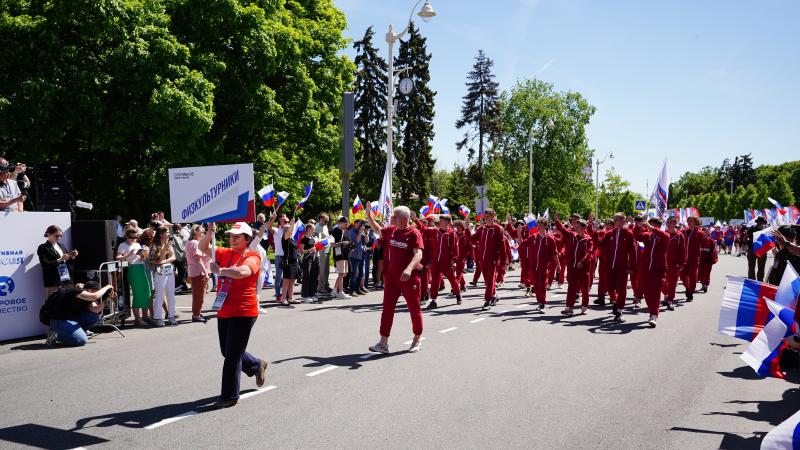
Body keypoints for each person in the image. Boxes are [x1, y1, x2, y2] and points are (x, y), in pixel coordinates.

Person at [199, 222, 268, 410]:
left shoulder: (252, 255)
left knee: (232, 356)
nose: (232, 238)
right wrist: (209, 232)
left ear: (247, 239)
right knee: (227, 351)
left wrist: (220, 271)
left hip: (244, 311)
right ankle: (256, 365)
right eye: (231, 235)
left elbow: (244, 272)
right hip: (225, 309)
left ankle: (230, 396)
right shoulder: (225, 253)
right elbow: (202, 247)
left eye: (237, 236)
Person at [365, 204, 425, 353]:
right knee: (387, 309)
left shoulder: (414, 233)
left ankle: (417, 339)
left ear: (404, 219)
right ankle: (383, 343)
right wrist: (369, 216)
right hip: (391, 278)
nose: (392, 218)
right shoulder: (392, 230)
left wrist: (409, 268)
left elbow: (418, 254)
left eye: (395, 216)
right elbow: (378, 230)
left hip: (408, 278)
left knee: (414, 308)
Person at [45, 281, 116, 346]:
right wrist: (108, 286)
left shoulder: (86, 298)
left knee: (93, 316)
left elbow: (95, 309)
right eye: (96, 291)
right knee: (82, 341)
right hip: (59, 321)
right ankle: (57, 334)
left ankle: (75, 333)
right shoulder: (75, 292)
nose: (98, 295)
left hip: (70, 320)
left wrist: (106, 300)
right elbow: (95, 296)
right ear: (89, 290)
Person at [598, 213, 637, 323]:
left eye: (620, 220)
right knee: (610, 286)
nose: (617, 222)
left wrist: (631, 266)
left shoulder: (628, 234)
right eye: (615, 220)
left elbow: (633, 252)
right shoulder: (610, 233)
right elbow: (600, 243)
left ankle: (619, 311)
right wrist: (596, 231)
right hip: (610, 265)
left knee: (621, 288)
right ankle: (615, 301)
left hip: (622, 267)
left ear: (624, 222)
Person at [554, 214, 594, 316]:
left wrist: (582, 262)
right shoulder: (572, 236)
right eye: (575, 227)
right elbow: (563, 230)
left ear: (584, 228)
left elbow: (589, 253)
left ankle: (584, 305)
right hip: (572, 267)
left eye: (578, 227)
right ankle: (569, 307)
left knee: (584, 288)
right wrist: (557, 220)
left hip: (583, 268)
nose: (575, 229)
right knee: (571, 287)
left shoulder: (588, 240)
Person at [634, 217, 670, 328]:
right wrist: (638, 225)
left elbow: (664, 236)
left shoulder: (665, 236)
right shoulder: (648, 236)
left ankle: (654, 315)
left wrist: (652, 228)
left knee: (655, 293)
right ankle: (652, 312)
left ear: (659, 226)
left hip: (659, 270)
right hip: (646, 269)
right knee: (647, 293)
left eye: (654, 225)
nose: (651, 227)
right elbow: (637, 236)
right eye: (650, 225)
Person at [521, 219, 559, 312]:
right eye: (538, 225)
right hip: (533, 266)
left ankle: (542, 303)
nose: (539, 226)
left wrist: (558, 265)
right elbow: (522, 243)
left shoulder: (550, 239)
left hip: (544, 266)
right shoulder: (533, 237)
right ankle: (540, 302)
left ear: (545, 226)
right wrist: (518, 233)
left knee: (542, 284)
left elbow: (554, 253)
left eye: (541, 225)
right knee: (536, 285)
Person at [472, 209, 506, 310]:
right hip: (482, 258)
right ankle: (494, 295)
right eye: (486, 217)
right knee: (487, 280)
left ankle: (487, 301)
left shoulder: (498, 229)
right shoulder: (481, 229)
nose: (488, 219)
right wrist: (466, 229)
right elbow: (473, 239)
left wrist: (503, 261)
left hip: (493, 259)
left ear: (494, 217)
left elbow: (502, 245)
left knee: (491, 279)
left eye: (490, 216)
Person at [425, 214, 461, 309]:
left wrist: (454, 260)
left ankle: (458, 294)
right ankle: (433, 300)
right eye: (439, 220)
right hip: (436, 261)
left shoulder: (451, 234)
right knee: (435, 282)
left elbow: (455, 247)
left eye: (442, 221)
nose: (439, 222)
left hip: (447, 262)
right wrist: (415, 219)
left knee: (452, 280)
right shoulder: (435, 231)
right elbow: (423, 229)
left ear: (447, 222)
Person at [116, 227, 150, 326]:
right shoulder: (122, 245)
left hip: (141, 267)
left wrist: (143, 255)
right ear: (126, 236)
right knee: (138, 294)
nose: (134, 239)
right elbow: (118, 258)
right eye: (132, 237)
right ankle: (138, 318)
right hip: (132, 269)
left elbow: (142, 259)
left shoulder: (137, 244)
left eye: (136, 237)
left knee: (146, 292)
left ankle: (145, 316)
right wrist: (129, 254)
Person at [37, 225, 78, 296]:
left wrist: (72, 257)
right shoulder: (43, 247)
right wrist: (60, 259)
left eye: (60, 236)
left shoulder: (61, 245)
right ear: (49, 234)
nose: (59, 238)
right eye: (56, 236)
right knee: (53, 302)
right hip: (53, 280)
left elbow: (68, 262)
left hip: (66, 278)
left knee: (69, 300)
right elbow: (45, 264)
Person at [149, 226, 177, 326]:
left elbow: (173, 257)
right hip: (159, 272)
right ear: (161, 234)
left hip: (169, 271)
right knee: (160, 295)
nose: (169, 234)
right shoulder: (154, 245)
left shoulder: (169, 244)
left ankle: (171, 316)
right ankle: (158, 317)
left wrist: (164, 261)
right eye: (167, 232)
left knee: (171, 294)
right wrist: (165, 247)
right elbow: (156, 259)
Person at [186, 225, 211, 322]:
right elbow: (198, 259)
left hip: (195, 271)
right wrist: (206, 273)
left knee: (198, 295)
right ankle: (196, 315)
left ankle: (197, 312)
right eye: (201, 231)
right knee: (199, 296)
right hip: (198, 272)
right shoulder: (195, 243)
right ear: (195, 231)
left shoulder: (191, 242)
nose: (203, 232)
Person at [661, 217, 686, 311]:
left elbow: (682, 250)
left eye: (672, 222)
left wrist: (682, 263)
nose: (670, 224)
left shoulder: (680, 235)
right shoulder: (663, 234)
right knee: (662, 282)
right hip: (662, 262)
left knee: (672, 282)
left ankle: (670, 300)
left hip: (674, 263)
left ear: (675, 223)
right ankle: (666, 295)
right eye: (668, 222)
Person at [681, 216, 704, 302]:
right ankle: (687, 287)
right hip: (683, 259)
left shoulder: (700, 233)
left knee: (693, 277)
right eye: (688, 221)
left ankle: (690, 293)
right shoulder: (683, 232)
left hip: (694, 259)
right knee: (683, 276)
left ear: (695, 222)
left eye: (691, 221)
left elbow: (705, 244)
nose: (689, 222)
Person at [330, 217, 351, 299]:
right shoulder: (335, 231)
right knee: (341, 273)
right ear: (341, 223)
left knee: (344, 273)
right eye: (345, 224)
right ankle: (341, 292)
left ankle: (334, 290)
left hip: (345, 254)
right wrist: (342, 243)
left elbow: (348, 241)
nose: (347, 226)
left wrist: (349, 245)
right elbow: (331, 244)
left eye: (347, 224)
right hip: (339, 254)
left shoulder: (345, 231)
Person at [300, 224, 320, 302]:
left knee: (313, 277)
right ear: (308, 229)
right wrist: (309, 250)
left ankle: (311, 294)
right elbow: (301, 251)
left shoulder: (312, 238)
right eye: (312, 229)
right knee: (306, 277)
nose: (313, 231)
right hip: (307, 259)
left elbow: (314, 248)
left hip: (313, 259)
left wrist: (316, 248)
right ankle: (305, 295)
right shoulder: (304, 239)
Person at [347, 220, 368, 296]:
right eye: (359, 224)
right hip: (354, 255)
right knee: (355, 273)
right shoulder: (351, 231)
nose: (360, 225)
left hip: (361, 255)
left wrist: (366, 233)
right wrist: (360, 232)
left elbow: (366, 241)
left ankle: (357, 289)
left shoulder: (361, 231)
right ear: (355, 224)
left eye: (361, 224)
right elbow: (357, 240)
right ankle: (351, 290)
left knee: (361, 273)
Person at [746, 217, 768, 281]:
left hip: (752, 248)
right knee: (761, 267)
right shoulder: (766, 229)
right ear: (763, 222)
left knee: (751, 266)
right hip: (762, 249)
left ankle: (751, 280)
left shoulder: (752, 228)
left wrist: (748, 240)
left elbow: (745, 237)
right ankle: (760, 281)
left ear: (757, 222)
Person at [315, 214, 332, 294]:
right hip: (321, 251)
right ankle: (321, 287)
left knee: (326, 270)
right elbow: (318, 241)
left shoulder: (324, 226)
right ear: (321, 219)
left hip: (327, 250)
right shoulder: (318, 227)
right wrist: (327, 239)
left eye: (328, 221)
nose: (327, 223)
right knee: (322, 270)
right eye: (325, 221)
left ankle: (326, 284)